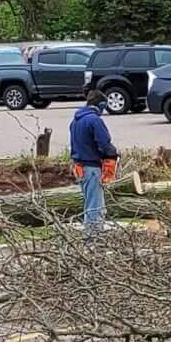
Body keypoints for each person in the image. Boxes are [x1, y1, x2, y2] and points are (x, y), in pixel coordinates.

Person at [69, 86, 118, 233]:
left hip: (80, 167)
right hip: (91, 168)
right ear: (101, 105)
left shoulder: (75, 121)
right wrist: (112, 156)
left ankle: (91, 233)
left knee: (89, 203)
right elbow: (104, 143)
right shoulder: (94, 120)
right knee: (95, 207)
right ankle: (93, 238)